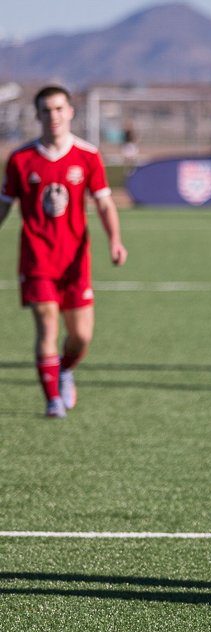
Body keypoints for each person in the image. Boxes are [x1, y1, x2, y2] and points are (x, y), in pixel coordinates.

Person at [0, 85, 128, 418]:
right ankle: (53, 400)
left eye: (59, 109)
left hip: (74, 261)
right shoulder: (20, 159)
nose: (53, 116)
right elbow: (4, 206)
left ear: (70, 112)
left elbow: (103, 202)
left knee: (81, 336)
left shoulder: (87, 156)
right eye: (47, 110)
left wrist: (115, 239)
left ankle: (65, 370)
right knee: (47, 326)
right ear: (38, 115)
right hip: (37, 258)